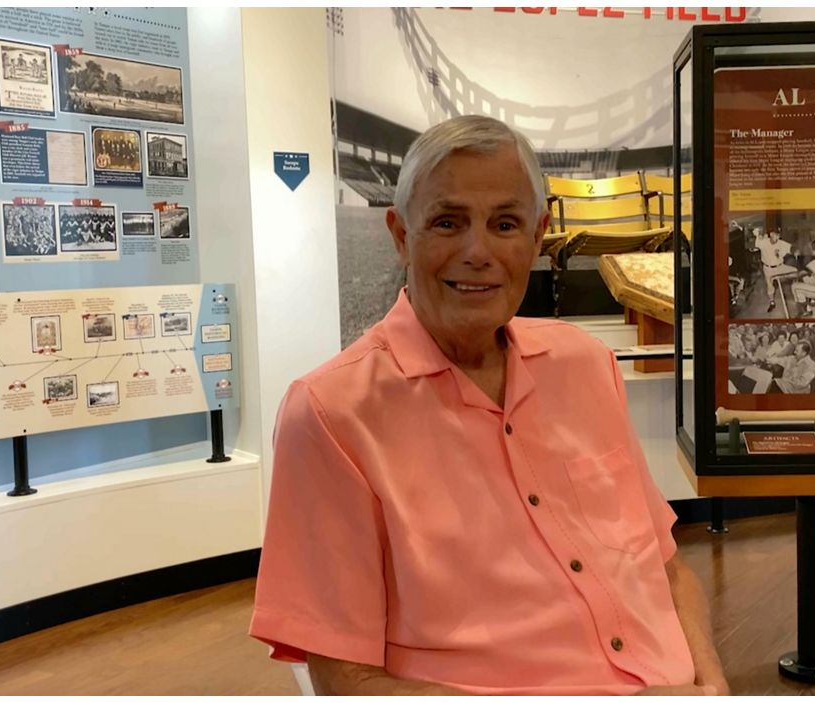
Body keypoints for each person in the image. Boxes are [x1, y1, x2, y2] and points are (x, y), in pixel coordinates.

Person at [249, 115, 728, 696]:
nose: (478, 252)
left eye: (504, 224)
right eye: (448, 222)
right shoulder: (330, 413)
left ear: (537, 236)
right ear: (401, 235)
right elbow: (346, 679)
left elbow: (666, 567)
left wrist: (709, 678)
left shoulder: (587, 366)